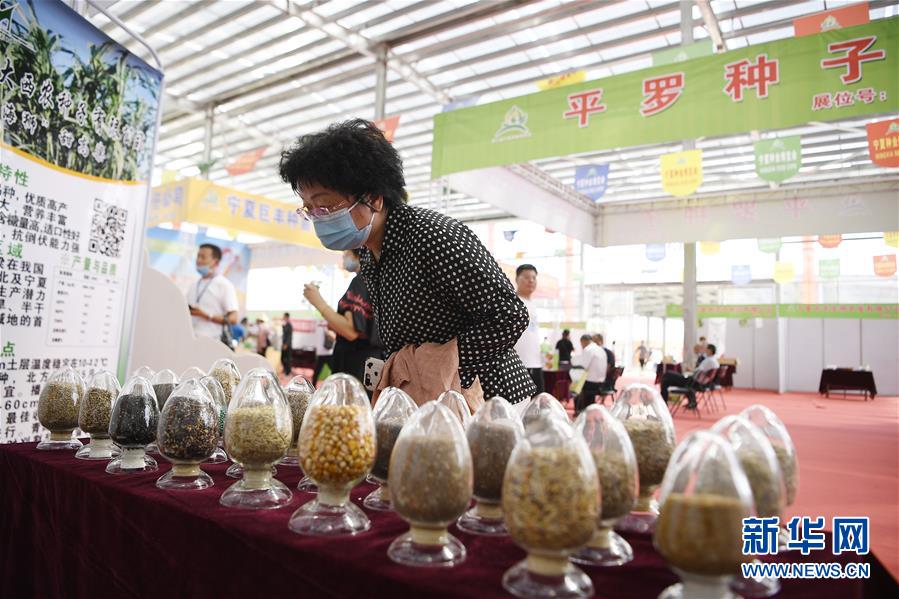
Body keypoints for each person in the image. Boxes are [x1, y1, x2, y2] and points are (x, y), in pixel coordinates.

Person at [279, 119, 534, 402]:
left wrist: (441, 362)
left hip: (487, 398)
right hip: (429, 398)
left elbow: (510, 315)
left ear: (374, 198)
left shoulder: (432, 236)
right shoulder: (370, 253)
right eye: (310, 209)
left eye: (325, 205)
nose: (318, 217)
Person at [303, 249, 385, 385]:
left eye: (346, 254)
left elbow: (351, 331)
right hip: (366, 362)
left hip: (356, 364)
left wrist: (318, 302)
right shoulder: (372, 280)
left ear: (358, 255)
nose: (344, 258)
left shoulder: (361, 280)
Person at [186, 243, 239, 345]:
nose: (198, 260)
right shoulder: (194, 285)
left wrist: (206, 315)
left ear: (215, 262)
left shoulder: (224, 285)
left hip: (212, 343)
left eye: (203, 257)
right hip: (190, 340)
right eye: (198, 256)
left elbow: (233, 319)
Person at [513, 264, 544, 395]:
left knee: (538, 403)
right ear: (516, 279)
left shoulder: (533, 304)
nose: (531, 280)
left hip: (536, 363)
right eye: (526, 277)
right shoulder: (513, 301)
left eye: (533, 277)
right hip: (517, 364)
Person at [660, 343, 720, 409]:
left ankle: (664, 403)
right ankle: (691, 401)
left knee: (667, 374)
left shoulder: (709, 361)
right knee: (666, 380)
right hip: (697, 382)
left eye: (706, 349)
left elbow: (697, 371)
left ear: (710, 350)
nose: (705, 350)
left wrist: (690, 370)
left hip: (693, 383)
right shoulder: (714, 360)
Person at [572, 334, 607, 415]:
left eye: (581, 344)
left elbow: (582, 367)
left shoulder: (588, 349)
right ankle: (580, 410)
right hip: (601, 382)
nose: (582, 346)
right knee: (577, 383)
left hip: (591, 383)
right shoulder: (600, 349)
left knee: (575, 385)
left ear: (584, 341)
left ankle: (580, 412)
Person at [281, 312, 293, 377]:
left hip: (287, 345)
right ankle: (285, 370)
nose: (283, 318)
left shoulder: (289, 325)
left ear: (287, 317)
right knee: (283, 358)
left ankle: (288, 372)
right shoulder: (284, 325)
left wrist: (286, 344)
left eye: (284, 317)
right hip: (283, 344)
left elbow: (289, 336)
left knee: (288, 359)